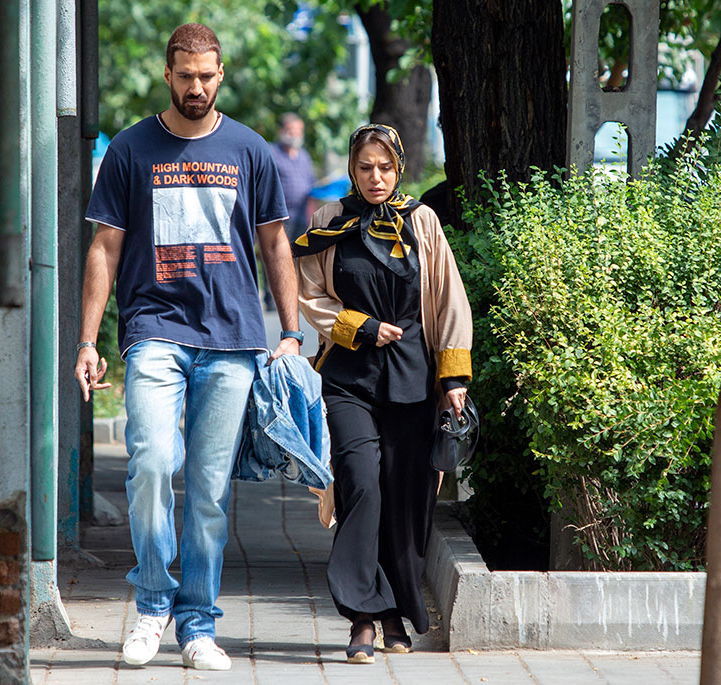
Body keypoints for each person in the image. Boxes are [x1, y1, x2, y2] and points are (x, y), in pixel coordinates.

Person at [74, 23, 302, 672]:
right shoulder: (130, 149)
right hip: (154, 331)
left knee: (207, 491)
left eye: (206, 75)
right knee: (149, 463)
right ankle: (152, 603)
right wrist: (88, 339)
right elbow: (104, 248)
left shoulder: (250, 150)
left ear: (220, 74)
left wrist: (288, 330)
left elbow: (275, 244)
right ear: (167, 75)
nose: (195, 86)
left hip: (232, 341)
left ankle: (197, 622)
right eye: (185, 75)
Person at [294, 124, 473, 664]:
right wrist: (360, 326)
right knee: (362, 486)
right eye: (366, 167)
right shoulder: (328, 220)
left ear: (398, 169)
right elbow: (310, 294)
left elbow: (447, 301)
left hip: (414, 381)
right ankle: (363, 619)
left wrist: (454, 381)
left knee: (407, 501)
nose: (376, 177)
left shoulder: (422, 221)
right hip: (349, 377)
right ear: (352, 169)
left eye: (386, 168)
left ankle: (395, 612)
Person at [264, 112, 316, 308]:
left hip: (301, 215)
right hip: (278, 216)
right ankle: (272, 299)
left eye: (298, 131)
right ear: (281, 131)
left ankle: (293, 297)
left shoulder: (304, 156)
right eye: (291, 130)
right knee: (275, 257)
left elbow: (311, 184)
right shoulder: (272, 153)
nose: (295, 134)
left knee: (296, 258)